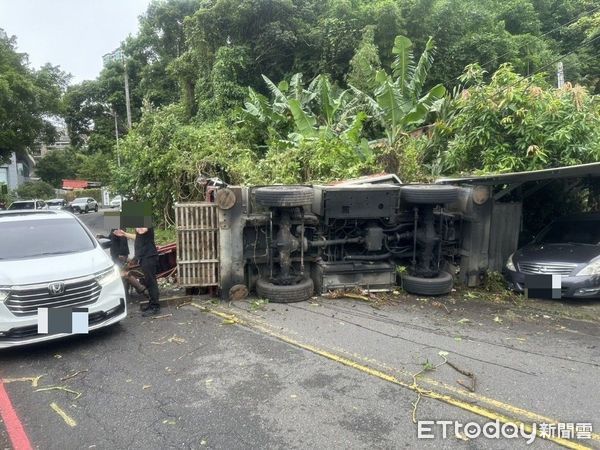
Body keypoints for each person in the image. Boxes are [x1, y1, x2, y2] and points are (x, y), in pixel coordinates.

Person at [114, 227, 160, 316]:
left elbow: (142, 230)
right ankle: (151, 304)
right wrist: (124, 234)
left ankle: (155, 307)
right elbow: (137, 237)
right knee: (148, 282)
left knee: (151, 282)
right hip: (144, 257)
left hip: (149, 257)